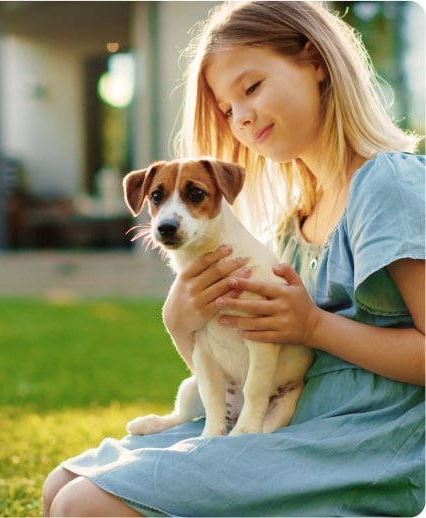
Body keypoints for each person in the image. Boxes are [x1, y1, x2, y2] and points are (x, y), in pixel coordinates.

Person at [43, 1, 425, 516]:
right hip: (288, 417)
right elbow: (242, 358)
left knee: (82, 505)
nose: (240, 116)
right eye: (226, 109)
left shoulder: (387, 183)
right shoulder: (296, 221)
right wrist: (181, 323)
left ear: (315, 61)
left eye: (251, 88)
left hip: (362, 444)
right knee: (60, 484)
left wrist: (313, 326)